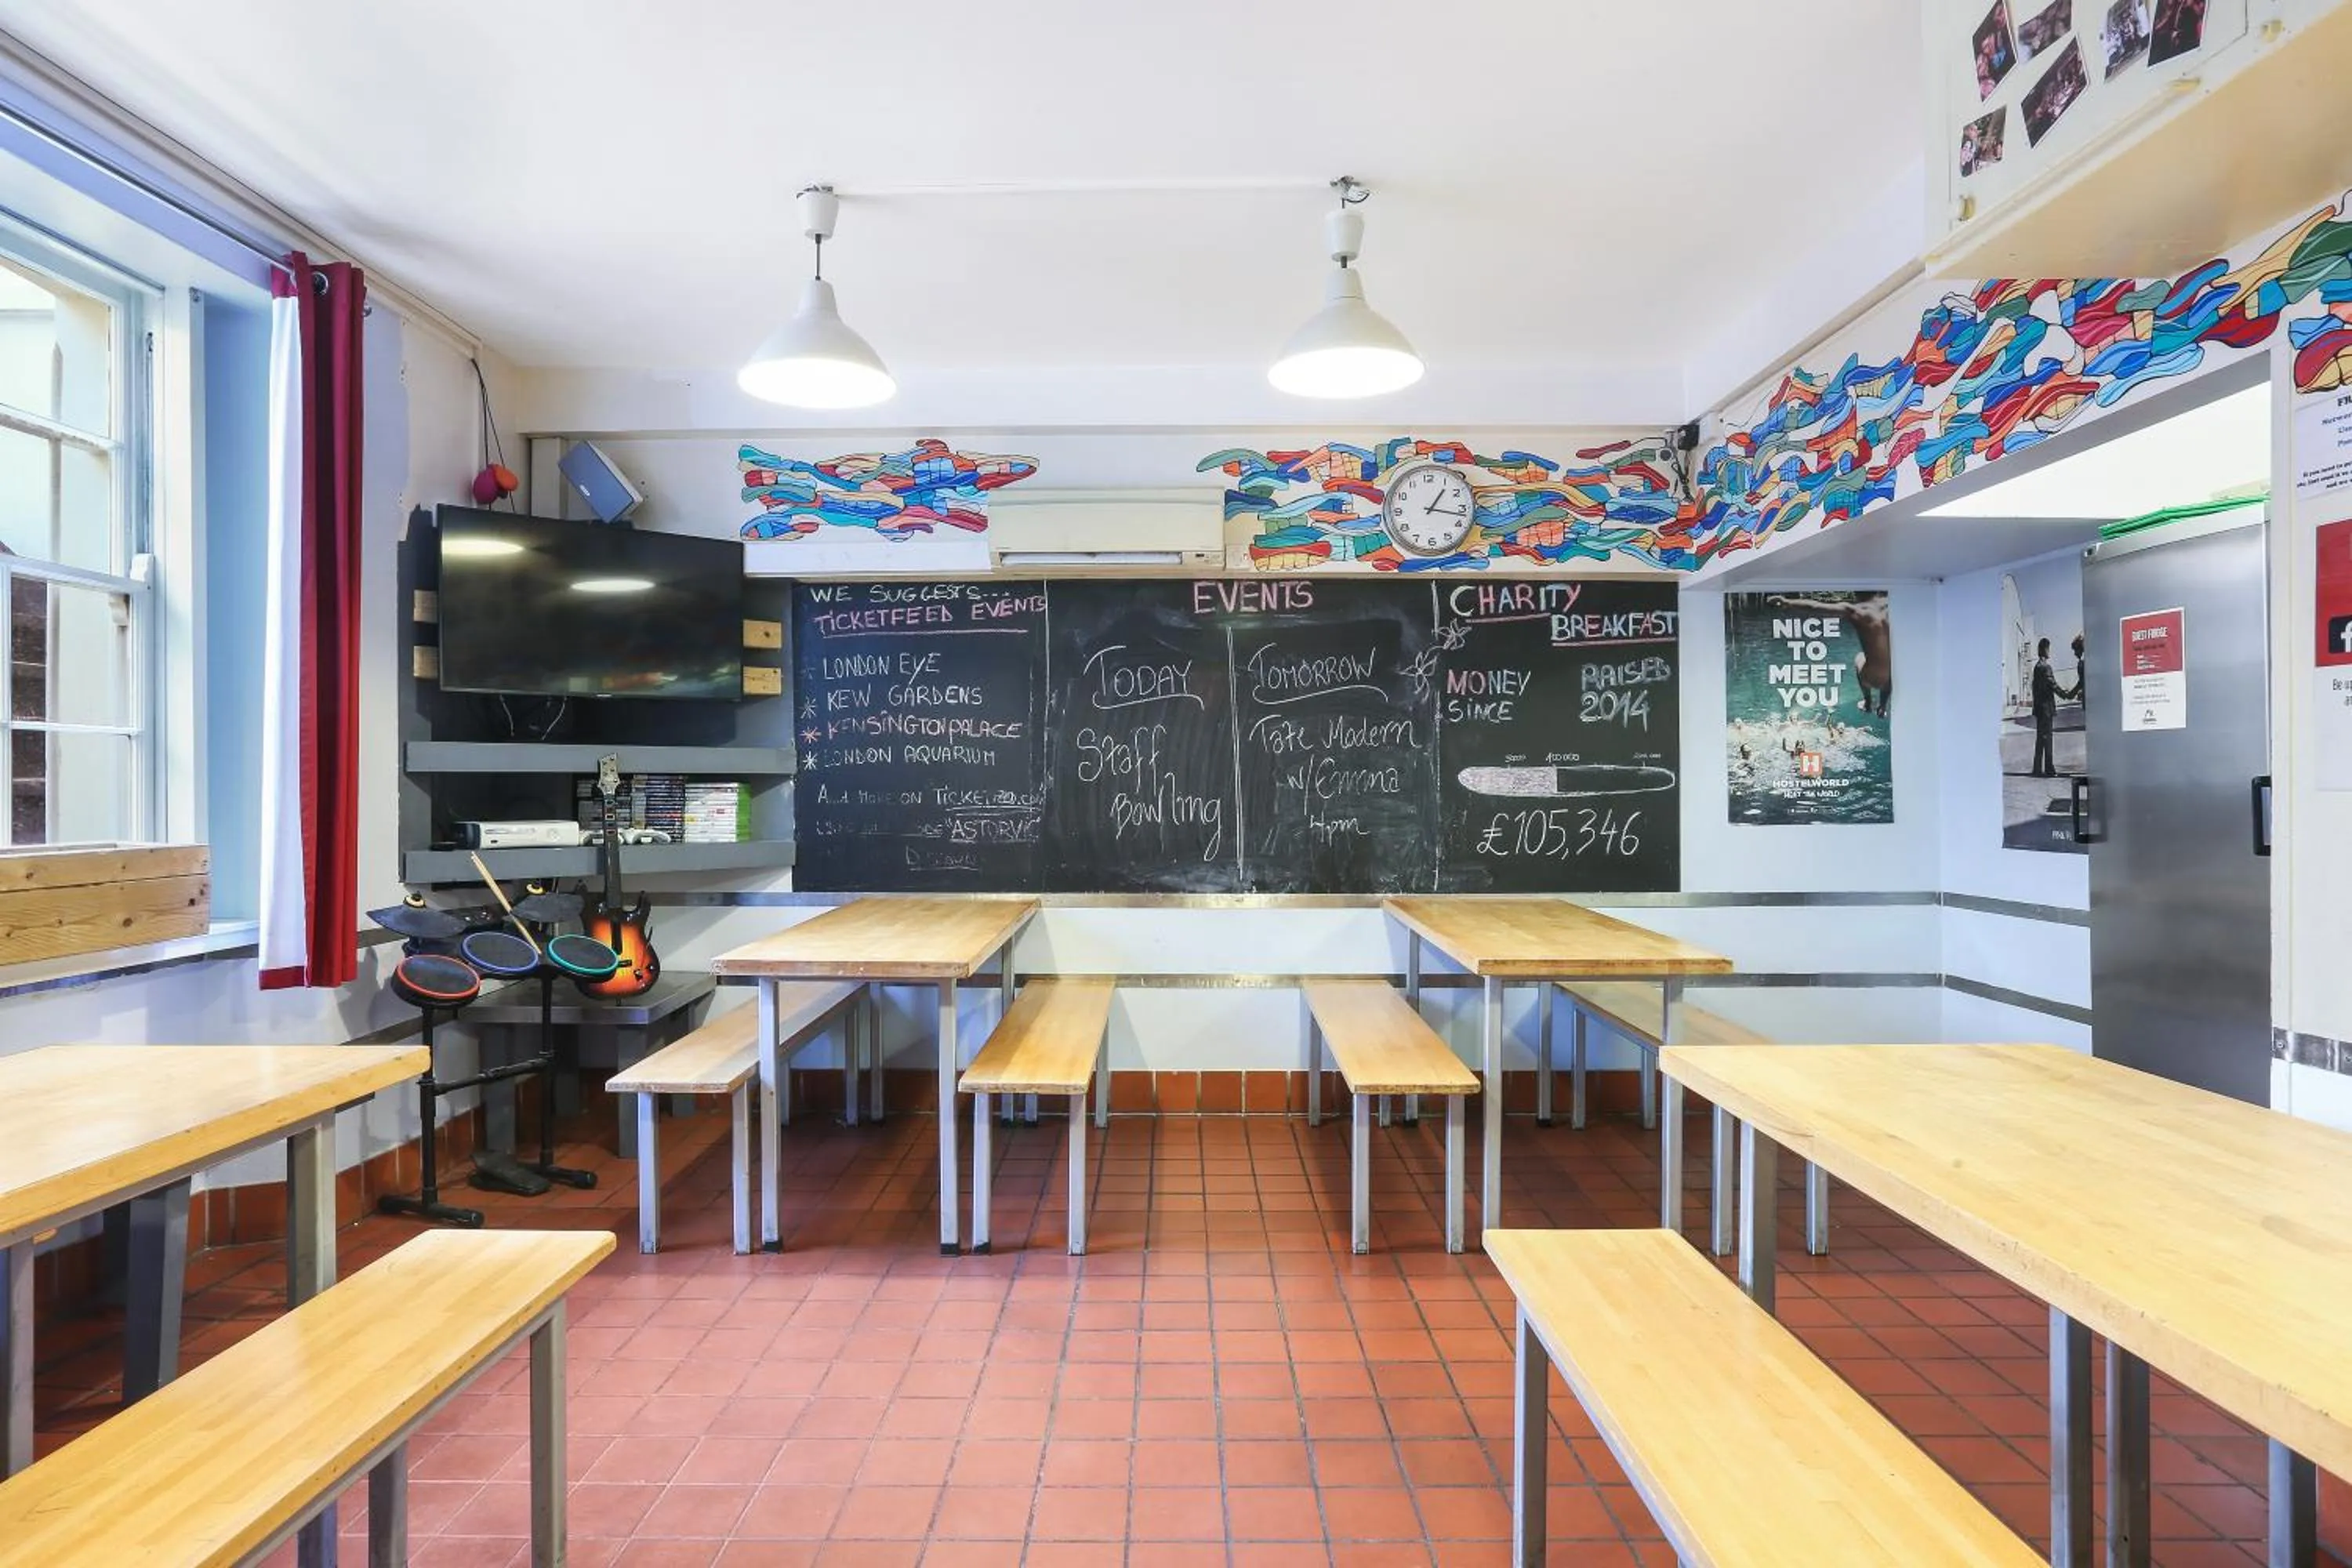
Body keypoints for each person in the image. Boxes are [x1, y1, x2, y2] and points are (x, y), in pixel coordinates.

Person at [1769, 593, 1894, 717]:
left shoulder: (1858, 611)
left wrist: (1787, 602)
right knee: (1890, 663)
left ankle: (1867, 703)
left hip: (1873, 678)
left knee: (1860, 658)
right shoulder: (1892, 606)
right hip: (1894, 676)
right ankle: (1882, 707)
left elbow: (1815, 607)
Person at [2030, 637, 2060, 777]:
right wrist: (2067, 694)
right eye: (2048, 648)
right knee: (2047, 738)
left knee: (2040, 739)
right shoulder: (2046, 667)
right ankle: (2049, 768)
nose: (2049, 651)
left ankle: (2037, 768)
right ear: (2044, 650)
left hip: (2039, 709)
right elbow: (2052, 685)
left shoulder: (2037, 667)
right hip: (2046, 709)